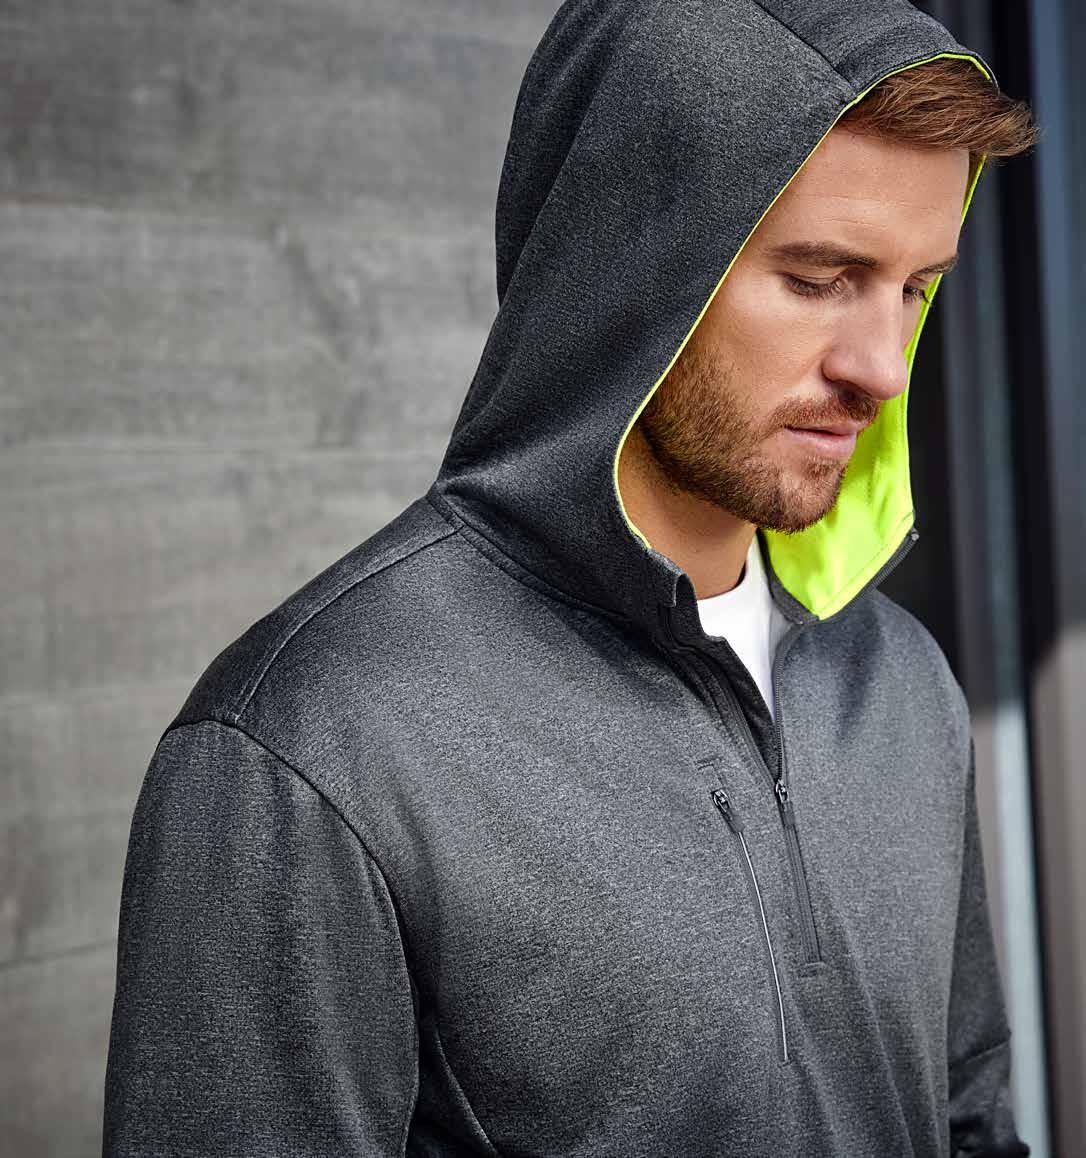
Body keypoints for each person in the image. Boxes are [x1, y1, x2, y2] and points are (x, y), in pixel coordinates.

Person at [102, 1, 1040, 1155]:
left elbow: (970, 1121)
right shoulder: (310, 744)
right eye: (817, 279)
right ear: (626, 267)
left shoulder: (899, 683)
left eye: (913, 288)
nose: (883, 368)